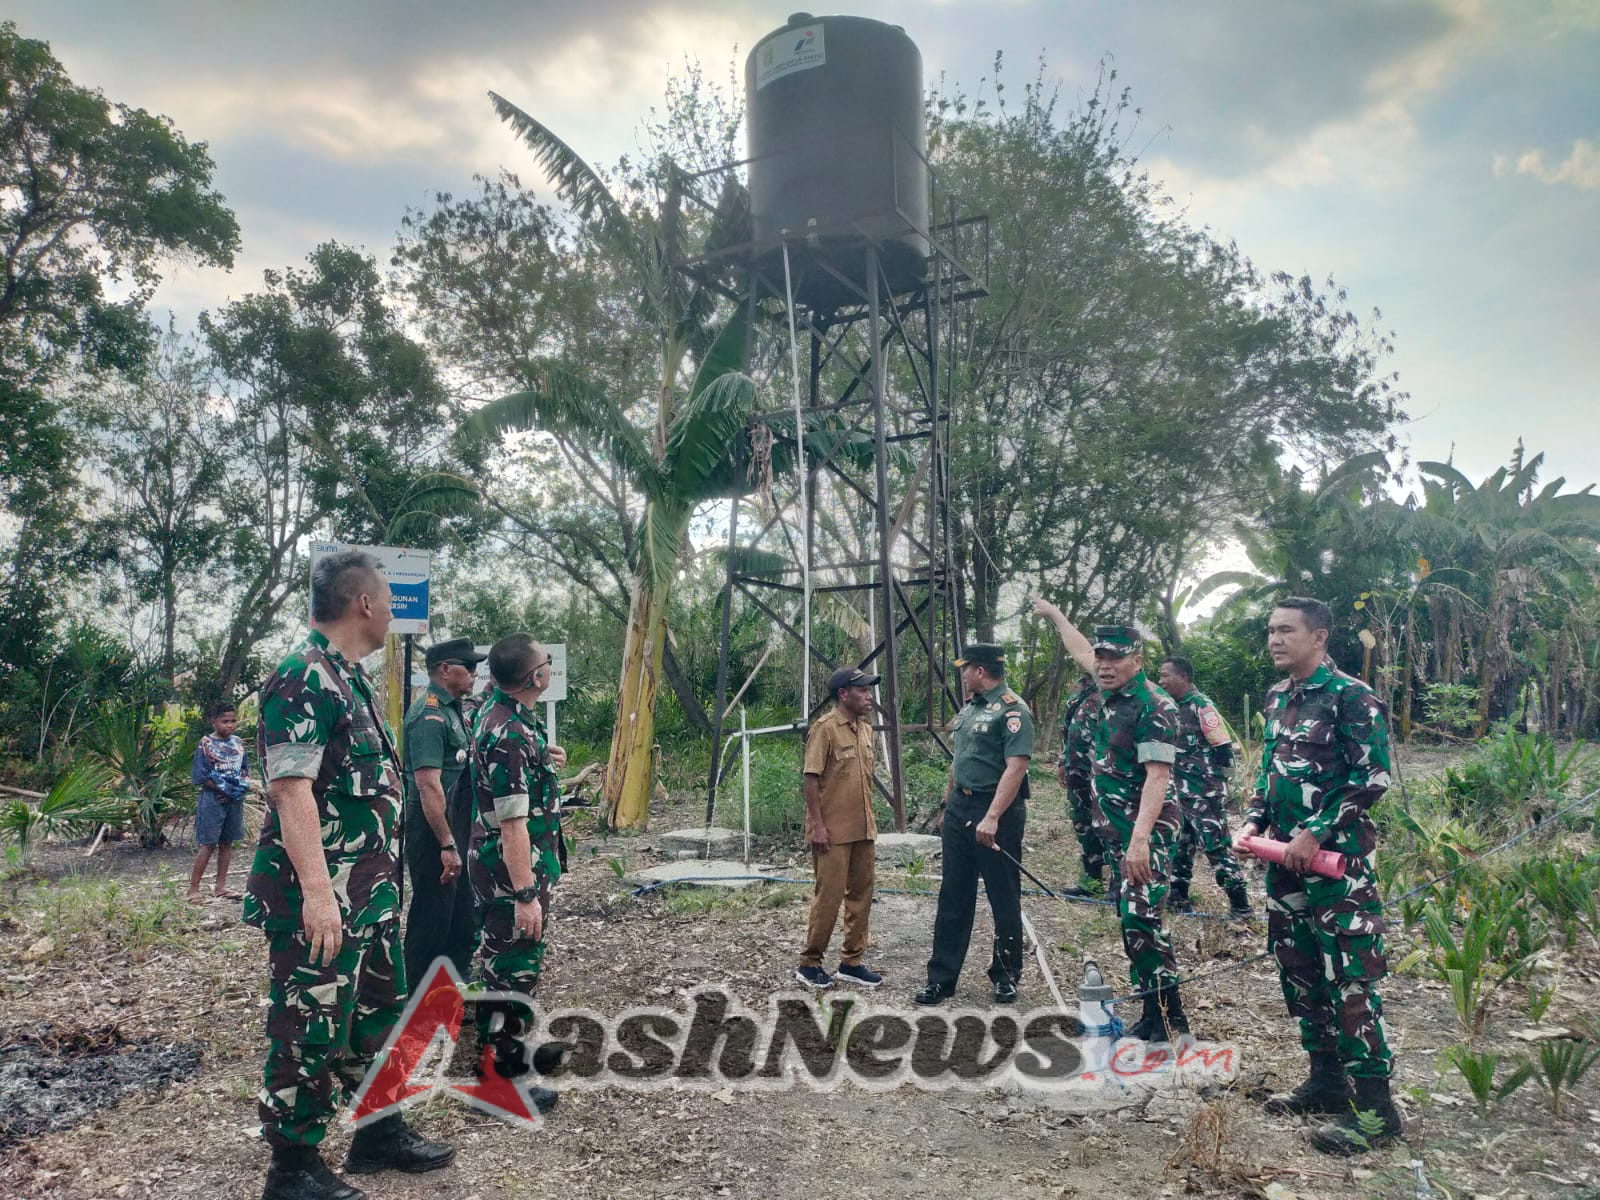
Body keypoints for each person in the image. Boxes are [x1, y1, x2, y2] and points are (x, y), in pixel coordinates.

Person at [245, 548, 453, 1200]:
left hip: (370, 898)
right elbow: (291, 791)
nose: (393, 609)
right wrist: (315, 895)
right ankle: (292, 1169)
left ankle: (379, 1135)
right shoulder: (301, 677)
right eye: (388, 597)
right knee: (310, 1023)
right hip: (326, 900)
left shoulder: (348, 678)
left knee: (377, 1018)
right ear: (365, 602)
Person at [1233, 596, 1401, 1155]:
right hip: (1285, 867)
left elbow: (1372, 776)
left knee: (1351, 977)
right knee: (1300, 971)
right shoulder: (1279, 696)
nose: (1275, 639)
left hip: (1337, 868)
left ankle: (1377, 1111)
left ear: (1320, 637)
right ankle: (1326, 1080)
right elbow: (1271, 770)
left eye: (1286, 630)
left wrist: (1317, 830)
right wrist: (1255, 819)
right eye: (1270, 630)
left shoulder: (1352, 697)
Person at [1031, 599, 1187, 1041]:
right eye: (1101, 657)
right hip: (1118, 831)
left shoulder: (1154, 706)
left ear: (1137, 662)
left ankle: (1165, 1019)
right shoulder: (1106, 690)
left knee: (1141, 920)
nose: (1103, 664)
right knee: (1132, 919)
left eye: (1115, 657)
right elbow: (1079, 649)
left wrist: (1140, 842)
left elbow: (1158, 778)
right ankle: (1161, 1015)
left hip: (1148, 832)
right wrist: (1057, 617)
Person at [470, 632, 568, 1113]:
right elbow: (512, 822)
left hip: (502, 867)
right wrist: (525, 892)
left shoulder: (506, 719)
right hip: (510, 874)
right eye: (546, 661)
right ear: (535, 677)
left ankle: (504, 1055)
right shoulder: (509, 734)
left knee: (505, 967)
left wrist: (541, 762)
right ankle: (495, 1083)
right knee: (511, 972)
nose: (550, 666)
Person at [916, 643, 1033, 1006]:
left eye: (965, 669)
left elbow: (1016, 767)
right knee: (953, 895)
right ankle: (942, 978)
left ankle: (1005, 975)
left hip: (995, 809)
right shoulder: (969, 709)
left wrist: (993, 817)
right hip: (960, 808)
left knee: (1003, 895)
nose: (962, 675)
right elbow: (959, 760)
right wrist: (946, 804)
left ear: (979, 671)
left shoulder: (1013, 710)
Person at [402, 637, 486, 990]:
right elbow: (428, 786)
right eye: (468, 667)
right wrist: (446, 844)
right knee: (433, 917)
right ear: (444, 669)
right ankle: (419, 994)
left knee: (462, 915)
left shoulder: (454, 711)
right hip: (434, 833)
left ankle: (454, 986)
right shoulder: (429, 715)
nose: (474, 674)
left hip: (458, 829)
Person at [794, 666, 884, 990]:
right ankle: (810, 964)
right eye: (863, 691)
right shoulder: (825, 729)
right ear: (843, 694)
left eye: (869, 691)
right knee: (829, 898)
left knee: (861, 896)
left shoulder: (865, 730)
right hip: (831, 832)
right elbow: (810, 777)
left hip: (862, 829)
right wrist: (817, 826)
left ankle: (852, 962)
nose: (869, 697)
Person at [1157, 656, 1252, 919]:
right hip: (1180, 792)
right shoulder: (1172, 707)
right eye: (1160, 675)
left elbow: (1223, 749)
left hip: (1204, 793)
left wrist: (1222, 788)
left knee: (1216, 847)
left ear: (1184, 677)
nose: (1161, 681)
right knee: (1181, 846)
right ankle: (1178, 898)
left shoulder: (1202, 706)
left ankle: (1241, 906)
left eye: (1166, 675)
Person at [189, 701, 251, 904]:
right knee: (208, 843)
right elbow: (200, 775)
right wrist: (223, 789)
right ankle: (193, 889)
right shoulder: (206, 744)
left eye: (233, 721)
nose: (230, 725)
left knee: (227, 843)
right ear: (214, 721)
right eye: (225, 721)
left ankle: (220, 887)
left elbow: (244, 771)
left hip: (234, 800)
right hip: (212, 800)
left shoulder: (238, 743)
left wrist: (235, 791)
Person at [1057, 673, 1107, 897]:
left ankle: (1118, 885)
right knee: (1082, 822)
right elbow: (1068, 733)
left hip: (1102, 773)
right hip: (1077, 770)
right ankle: (1092, 881)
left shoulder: (1110, 695)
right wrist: (1062, 762)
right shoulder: (1079, 698)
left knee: (1109, 824)